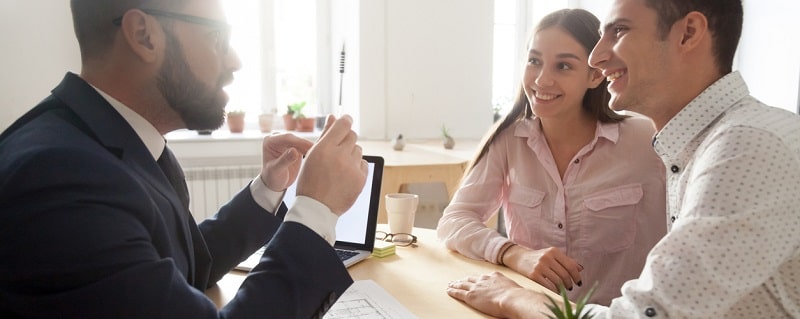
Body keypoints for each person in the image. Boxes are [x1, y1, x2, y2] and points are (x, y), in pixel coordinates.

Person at [0, 0, 368, 318]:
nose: (236, 61)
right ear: (144, 35)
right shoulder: (57, 177)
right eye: (216, 38)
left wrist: (270, 189)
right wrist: (316, 209)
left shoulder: (108, 141)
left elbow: (182, 263)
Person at [446, 0, 800, 318]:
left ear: (688, 33)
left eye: (619, 31)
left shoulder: (744, 147)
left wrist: (515, 299)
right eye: (534, 60)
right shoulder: (692, 143)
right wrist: (512, 256)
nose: (598, 57)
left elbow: (644, 315)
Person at [436, 8, 666, 306]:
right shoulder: (509, 141)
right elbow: (454, 221)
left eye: (564, 67)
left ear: (595, 75)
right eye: (534, 61)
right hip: (526, 310)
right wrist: (514, 254)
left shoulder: (647, 138)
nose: (542, 80)